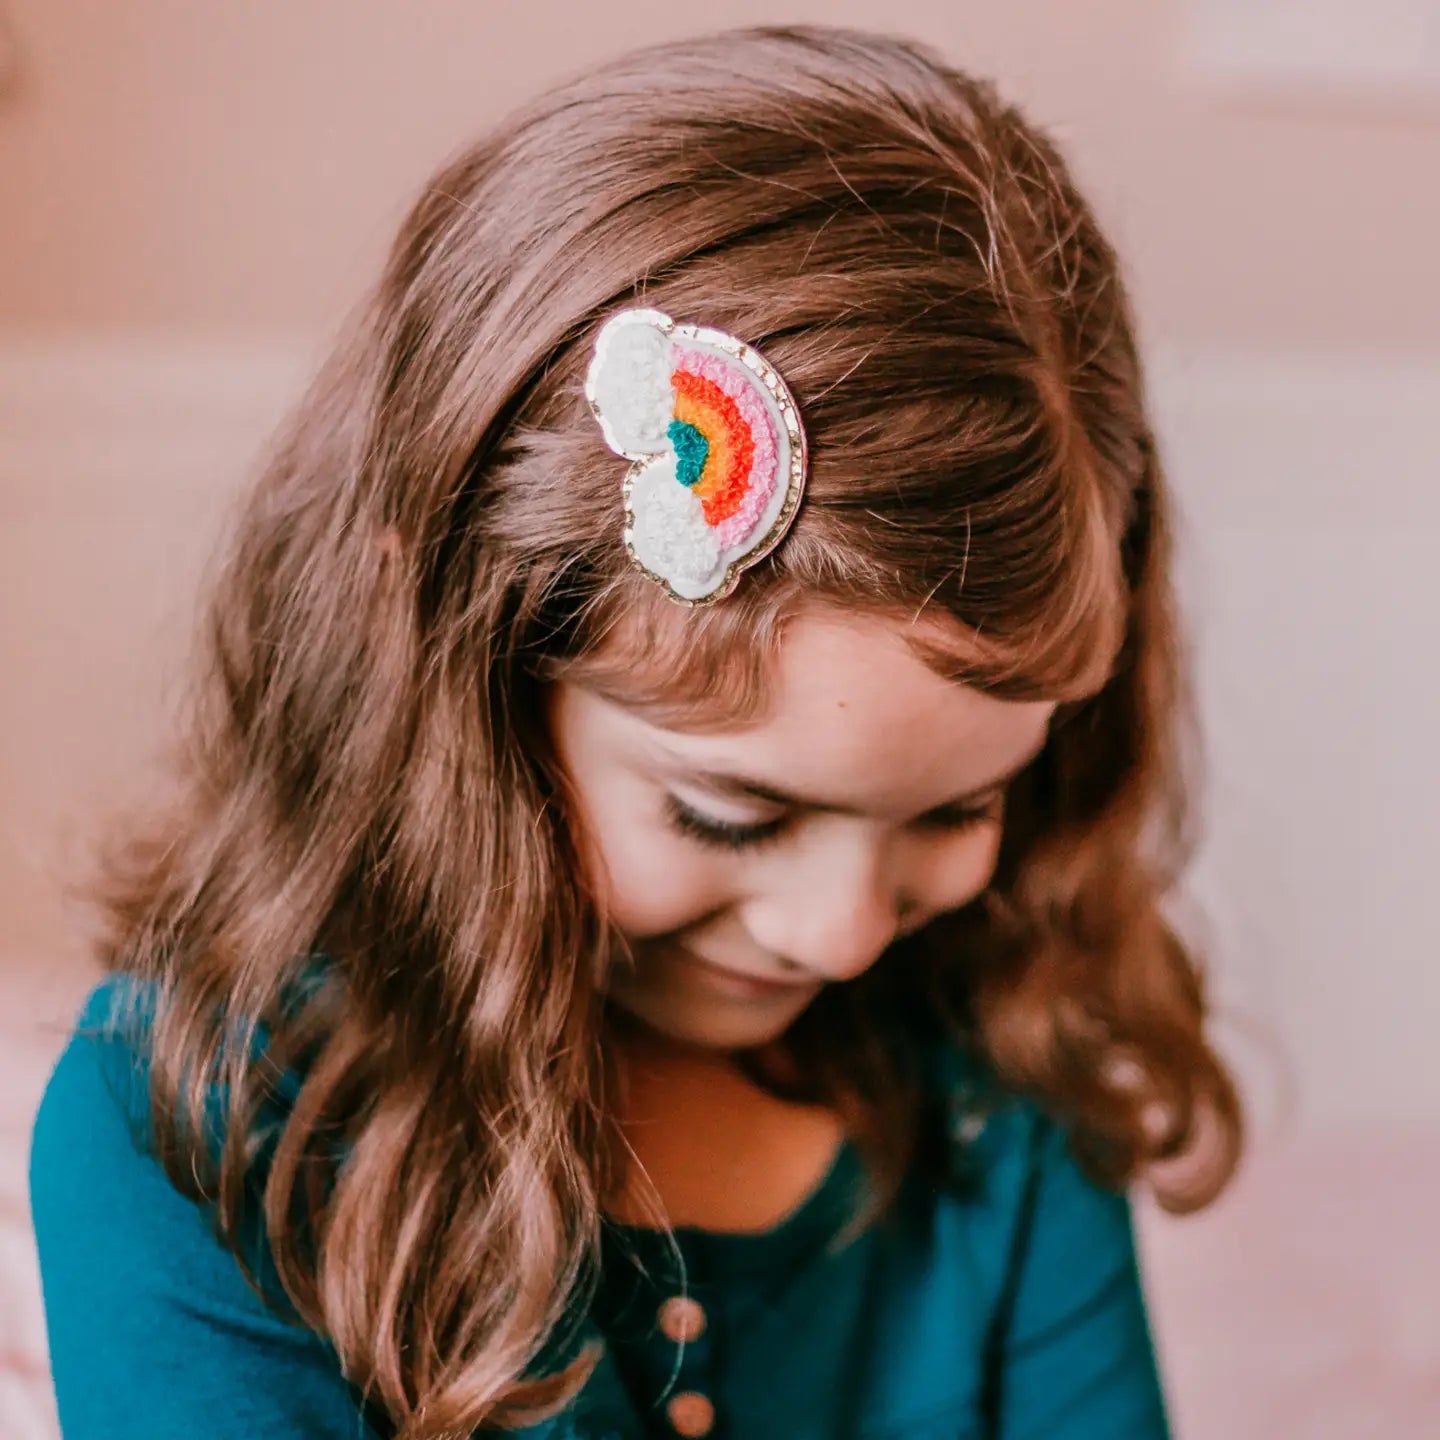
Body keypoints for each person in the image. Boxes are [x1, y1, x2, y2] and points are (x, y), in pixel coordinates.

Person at [27, 21, 1243, 1440]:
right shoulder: (203, 1143)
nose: (840, 930)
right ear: (460, 680)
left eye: (958, 811)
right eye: (732, 815)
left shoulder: (1008, 1086)